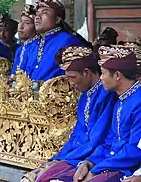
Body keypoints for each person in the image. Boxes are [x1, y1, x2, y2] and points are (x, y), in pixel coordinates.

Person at [22, 46, 118, 182]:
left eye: (73, 77)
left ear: (86, 73)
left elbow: (96, 139)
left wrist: (66, 159)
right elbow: (77, 134)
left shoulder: (107, 95)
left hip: (92, 157)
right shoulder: (85, 96)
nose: (71, 83)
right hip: (77, 154)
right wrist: (58, 158)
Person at [50, 44, 141, 182]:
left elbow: (134, 151)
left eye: (103, 73)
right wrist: (89, 163)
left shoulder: (138, 102)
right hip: (109, 161)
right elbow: (109, 141)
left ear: (117, 76)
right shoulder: (121, 100)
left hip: (126, 168)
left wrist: (98, 168)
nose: (101, 78)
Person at [26, 0, 83, 83]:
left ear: (57, 19)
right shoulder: (33, 44)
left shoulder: (68, 41)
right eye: (37, 14)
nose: (38, 17)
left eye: (44, 13)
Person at [11, 4, 38, 75]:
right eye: (20, 21)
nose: (21, 26)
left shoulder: (38, 46)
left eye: (27, 23)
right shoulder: (19, 49)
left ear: (36, 26)